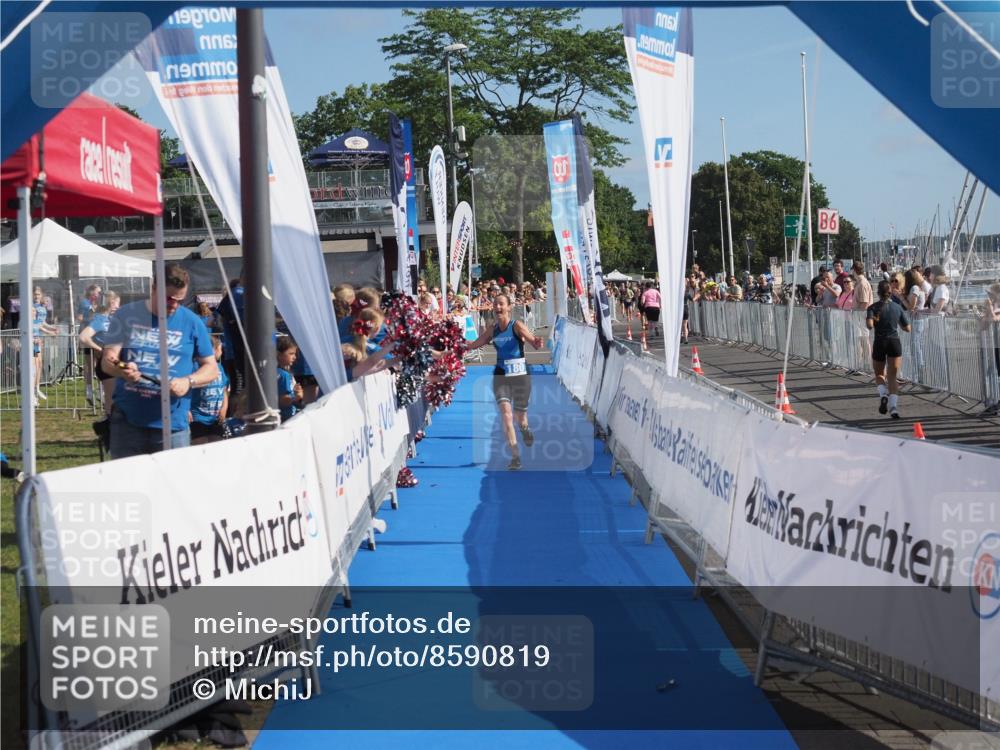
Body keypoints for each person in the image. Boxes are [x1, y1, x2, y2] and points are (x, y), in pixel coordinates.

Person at [100, 264, 217, 457]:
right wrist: (121, 370)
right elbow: (108, 360)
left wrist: (188, 381)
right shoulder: (125, 314)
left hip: (173, 425)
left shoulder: (192, 322)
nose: (174, 305)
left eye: (180, 300)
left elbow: (211, 368)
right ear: (154, 288)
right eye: (169, 298)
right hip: (128, 422)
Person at [467, 293, 545, 471]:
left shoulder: (516, 326)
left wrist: (536, 342)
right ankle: (515, 456)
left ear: (509, 307)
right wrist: (459, 345)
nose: (498, 307)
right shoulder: (493, 329)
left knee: (520, 418)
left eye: (501, 304)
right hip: (501, 374)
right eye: (495, 304)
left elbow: (533, 341)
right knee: (506, 415)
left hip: (520, 375)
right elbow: (476, 344)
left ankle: (525, 428)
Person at [866, 279, 912, 419]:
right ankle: (893, 408)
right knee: (892, 376)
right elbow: (907, 328)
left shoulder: (873, 308)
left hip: (880, 341)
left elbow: (869, 325)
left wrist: (874, 319)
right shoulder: (897, 307)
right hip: (894, 342)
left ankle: (883, 395)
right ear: (890, 292)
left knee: (880, 374)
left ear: (878, 293)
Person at [79, 291, 120, 412]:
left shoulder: (111, 318)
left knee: (115, 399)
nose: (118, 307)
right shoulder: (99, 319)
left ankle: (108, 413)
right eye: (117, 304)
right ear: (111, 303)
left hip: (114, 361)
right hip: (106, 363)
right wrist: (99, 349)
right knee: (112, 401)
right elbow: (83, 337)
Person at [189, 334, 230, 444]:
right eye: (220, 349)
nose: (221, 352)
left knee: (216, 443)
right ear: (213, 350)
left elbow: (224, 389)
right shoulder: (195, 367)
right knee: (200, 444)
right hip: (198, 417)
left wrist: (224, 407)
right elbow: (187, 389)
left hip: (215, 417)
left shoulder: (219, 367)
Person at [30, 286, 59, 404]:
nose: (36, 296)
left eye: (38, 294)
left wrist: (51, 329)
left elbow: (41, 323)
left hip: (38, 339)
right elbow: (32, 324)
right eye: (34, 294)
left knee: (39, 364)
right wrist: (48, 331)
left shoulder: (42, 307)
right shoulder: (31, 307)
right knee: (34, 366)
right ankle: (32, 392)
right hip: (33, 339)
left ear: (41, 295)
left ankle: (36, 388)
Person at [904, 268, 927, 376]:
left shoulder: (914, 288)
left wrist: (901, 298)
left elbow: (911, 307)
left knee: (915, 344)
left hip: (916, 320)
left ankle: (919, 367)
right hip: (917, 320)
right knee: (915, 344)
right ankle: (919, 367)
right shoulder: (917, 288)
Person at [276, 337, 303, 422]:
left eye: (295, 354)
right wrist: (296, 397)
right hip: (285, 419)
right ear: (279, 354)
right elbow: (281, 401)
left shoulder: (283, 373)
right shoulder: (283, 375)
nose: (294, 357)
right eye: (291, 354)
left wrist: (296, 394)